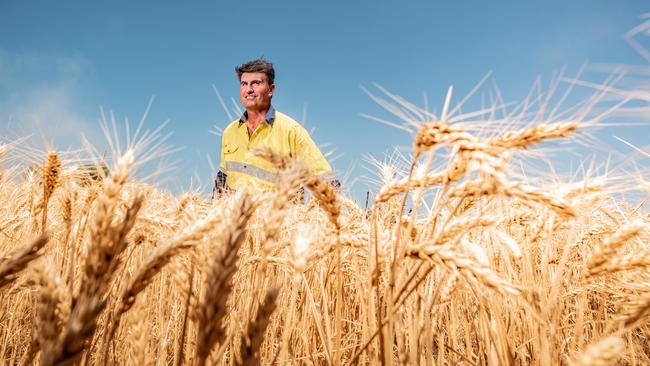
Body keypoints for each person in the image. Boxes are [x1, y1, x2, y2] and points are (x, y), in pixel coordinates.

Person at [214, 59, 337, 195]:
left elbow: (327, 182)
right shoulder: (229, 132)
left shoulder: (291, 131)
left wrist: (325, 212)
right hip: (238, 215)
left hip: (280, 215)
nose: (249, 89)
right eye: (244, 84)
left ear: (271, 90)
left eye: (256, 83)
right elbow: (222, 179)